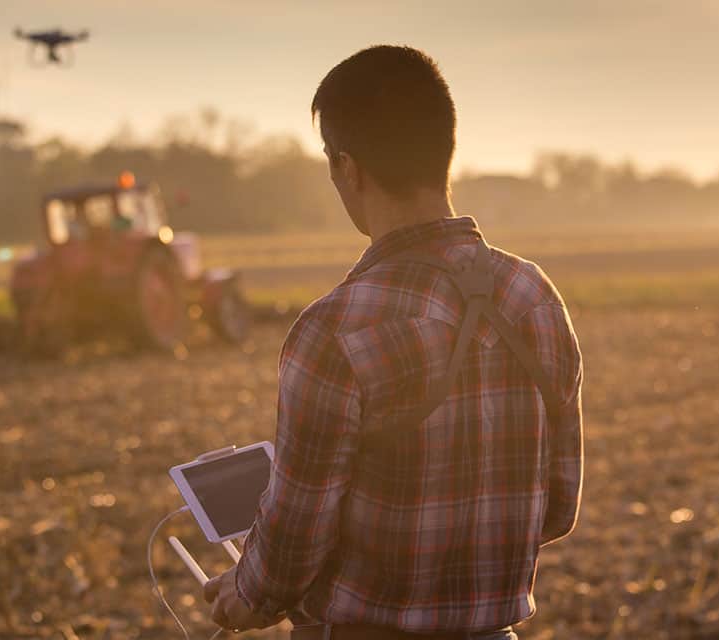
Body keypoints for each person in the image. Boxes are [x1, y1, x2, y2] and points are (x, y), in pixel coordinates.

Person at [204, 45, 584, 640]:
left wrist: (246, 593)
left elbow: (293, 544)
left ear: (348, 168)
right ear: (444, 150)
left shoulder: (336, 328)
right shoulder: (534, 297)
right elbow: (558, 508)